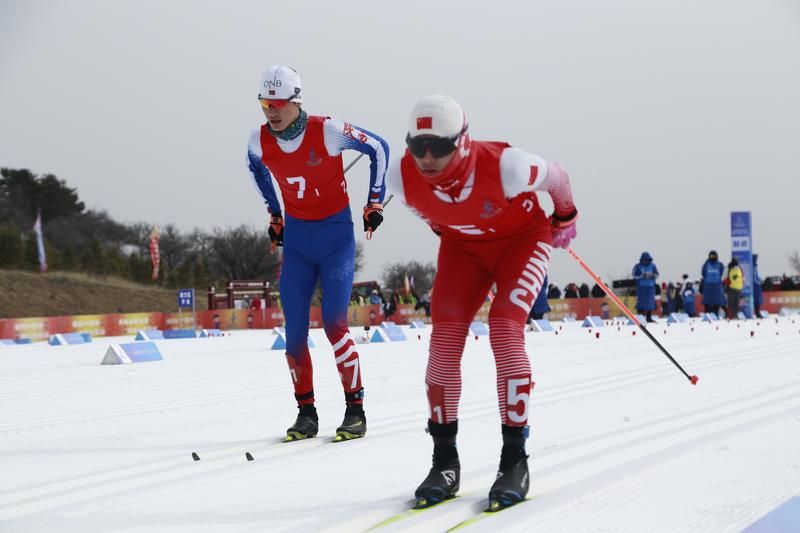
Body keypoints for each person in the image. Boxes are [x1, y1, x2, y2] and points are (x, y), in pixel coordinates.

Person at [385, 95, 578, 510]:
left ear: (463, 140)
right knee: (443, 344)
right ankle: (444, 462)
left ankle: (514, 460)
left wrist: (565, 216)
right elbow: (435, 214)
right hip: (464, 251)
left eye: (439, 146)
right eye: (418, 147)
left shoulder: (507, 166)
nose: (428, 157)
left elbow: (558, 177)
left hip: (523, 243)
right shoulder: (400, 178)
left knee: (504, 330)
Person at [247, 65, 390, 442]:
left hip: (335, 241)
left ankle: (355, 409)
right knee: (294, 334)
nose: (271, 112)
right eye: (265, 104)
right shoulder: (257, 140)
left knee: (334, 324)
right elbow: (257, 170)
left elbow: (378, 147)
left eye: (277, 104)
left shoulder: (327, 131)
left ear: (296, 101)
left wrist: (373, 203)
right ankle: (306, 413)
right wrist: (275, 215)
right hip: (297, 245)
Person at [632, 252, 659, 322]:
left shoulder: (653, 266)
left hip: (650, 288)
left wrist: (652, 275)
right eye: (645, 260)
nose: (646, 261)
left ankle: (649, 318)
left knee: (650, 303)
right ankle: (639, 318)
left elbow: (657, 274)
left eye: (647, 260)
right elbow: (634, 275)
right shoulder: (637, 266)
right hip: (641, 288)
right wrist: (641, 276)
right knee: (641, 303)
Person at [701, 250, 726, 316]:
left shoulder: (719, 265)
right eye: (711, 255)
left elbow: (703, 274)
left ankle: (714, 315)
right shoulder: (707, 264)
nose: (712, 257)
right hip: (711, 287)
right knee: (708, 304)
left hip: (714, 287)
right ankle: (708, 316)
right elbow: (703, 273)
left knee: (716, 304)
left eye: (713, 255)